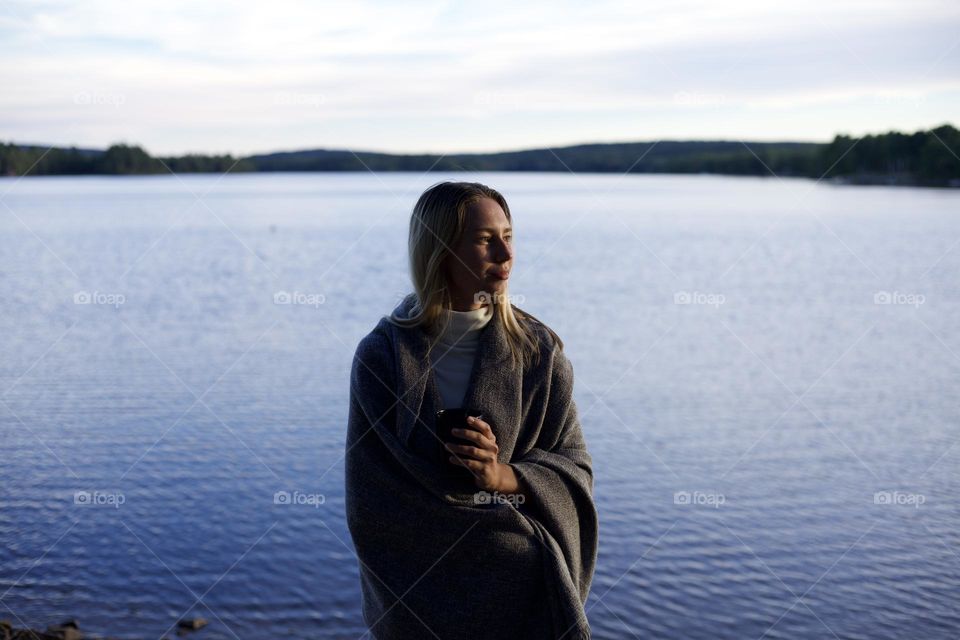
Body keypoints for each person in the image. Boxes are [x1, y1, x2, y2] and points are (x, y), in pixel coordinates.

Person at [345, 181, 598, 639]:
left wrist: (502, 476)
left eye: (509, 236)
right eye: (485, 240)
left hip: (526, 603)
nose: (505, 254)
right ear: (438, 249)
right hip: (418, 603)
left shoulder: (538, 353)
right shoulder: (384, 357)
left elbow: (575, 471)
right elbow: (371, 502)